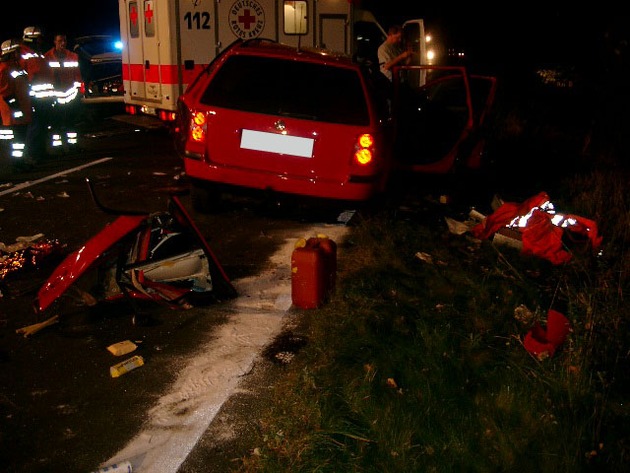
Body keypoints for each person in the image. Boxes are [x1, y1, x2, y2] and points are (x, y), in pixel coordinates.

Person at [19, 26, 55, 160]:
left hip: (44, 98)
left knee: (43, 126)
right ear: (31, 39)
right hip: (33, 98)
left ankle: (41, 152)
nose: (40, 41)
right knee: (35, 127)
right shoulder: (23, 53)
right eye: (38, 38)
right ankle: (33, 155)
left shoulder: (37, 53)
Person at [44, 33, 83, 149]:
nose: (63, 43)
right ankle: (57, 147)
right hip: (55, 96)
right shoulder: (47, 57)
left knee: (71, 122)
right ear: (54, 42)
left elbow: (78, 75)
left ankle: (73, 145)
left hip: (71, 95)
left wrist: (80, 91)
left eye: (64, 41)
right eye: (60, 41)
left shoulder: (73, 56)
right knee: (56, 123)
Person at [0, 38, 33, 166]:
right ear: (11, 53)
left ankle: (19, 162)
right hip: (13, 112)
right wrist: (15, 106)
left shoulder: (16, 66)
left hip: (20, 109)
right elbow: (5, 92)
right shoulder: (4, 69)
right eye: (17, 51)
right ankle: (17, 164)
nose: (19, 53)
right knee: (17, 140)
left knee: (20, 139)